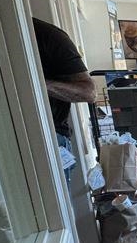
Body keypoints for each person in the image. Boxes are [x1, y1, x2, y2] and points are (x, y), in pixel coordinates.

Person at [32, 17, 96, 180]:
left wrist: (35, 84)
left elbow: (88, 92)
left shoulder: (47, 35)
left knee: (54, 203)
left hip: (50, 137)